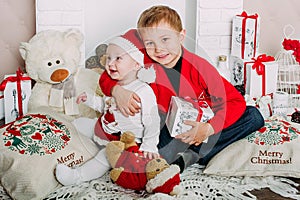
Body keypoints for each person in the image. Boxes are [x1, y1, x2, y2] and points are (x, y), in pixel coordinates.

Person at [99, 5, 265, 173]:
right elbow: (108, 72)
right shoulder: (141, 58)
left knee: (253, 116)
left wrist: (209, 128)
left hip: (201, 122)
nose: (158, 49)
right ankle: (184, 156)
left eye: (165, 39)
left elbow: (235, 100)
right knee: (149, 156)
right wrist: (116, 90)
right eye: (150, 43)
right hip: (166, 128)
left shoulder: (199, 67)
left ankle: (192, 155)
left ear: (181, 36)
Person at [55, 32, 161, 186]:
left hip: (121, 143)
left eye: (118, 58)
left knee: (103, 158)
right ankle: (59, 136)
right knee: (78, 124)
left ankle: (76, 176)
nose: (110, 63)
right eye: (108, 58)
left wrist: (149, 145)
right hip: (103, 128)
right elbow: (106, 106)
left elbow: (153, 121)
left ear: (136, 64)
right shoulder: (115, 85)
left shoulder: (143, 91)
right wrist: (90, 100)